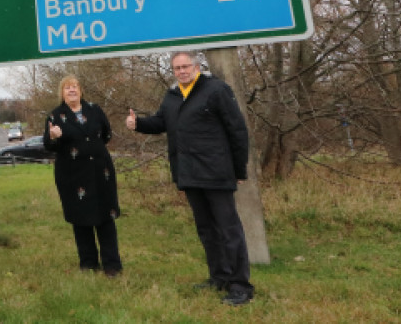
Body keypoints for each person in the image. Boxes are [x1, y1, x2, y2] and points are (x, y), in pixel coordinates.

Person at [126, 51, 255, 306]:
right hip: (189, 173)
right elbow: (161, 123)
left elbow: (237, 130)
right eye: (177, 68)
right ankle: (219, 277)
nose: (182, 71)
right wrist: (137, 123)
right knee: (207, 230)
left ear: (197, 67)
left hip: (217, 172)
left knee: (229, 230)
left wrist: (239, 170)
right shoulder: (173, 96)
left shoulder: (216, 90)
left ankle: (241, 286)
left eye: (186, 66)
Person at [43, 75, 123, 276]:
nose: (72, 90)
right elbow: (48, 145)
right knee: (81, 219)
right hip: (72, 175)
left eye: (75, 87)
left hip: (100, 172)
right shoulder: (55, 116)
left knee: (105, 218)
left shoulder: (94, 110)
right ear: (62, 93)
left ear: (81, 91)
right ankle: (88, 264)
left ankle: (112, 265)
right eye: (67, 88)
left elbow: (106, 134)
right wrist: (53, 138)